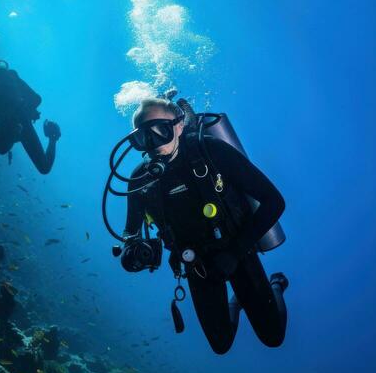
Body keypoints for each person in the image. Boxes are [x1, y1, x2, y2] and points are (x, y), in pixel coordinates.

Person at [119, 97, 288, 354]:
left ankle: (276, 284)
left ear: (178, 126)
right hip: (196, 265)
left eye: (159, 132)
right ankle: (238, 301)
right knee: (220, 345)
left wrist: (235, 253)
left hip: (238, 253)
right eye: (143, 138)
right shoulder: (140, 179)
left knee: (273, 337)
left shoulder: (212, 151)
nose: (152, 145)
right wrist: (132, 253)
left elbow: (274, 202)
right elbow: (130, 233)